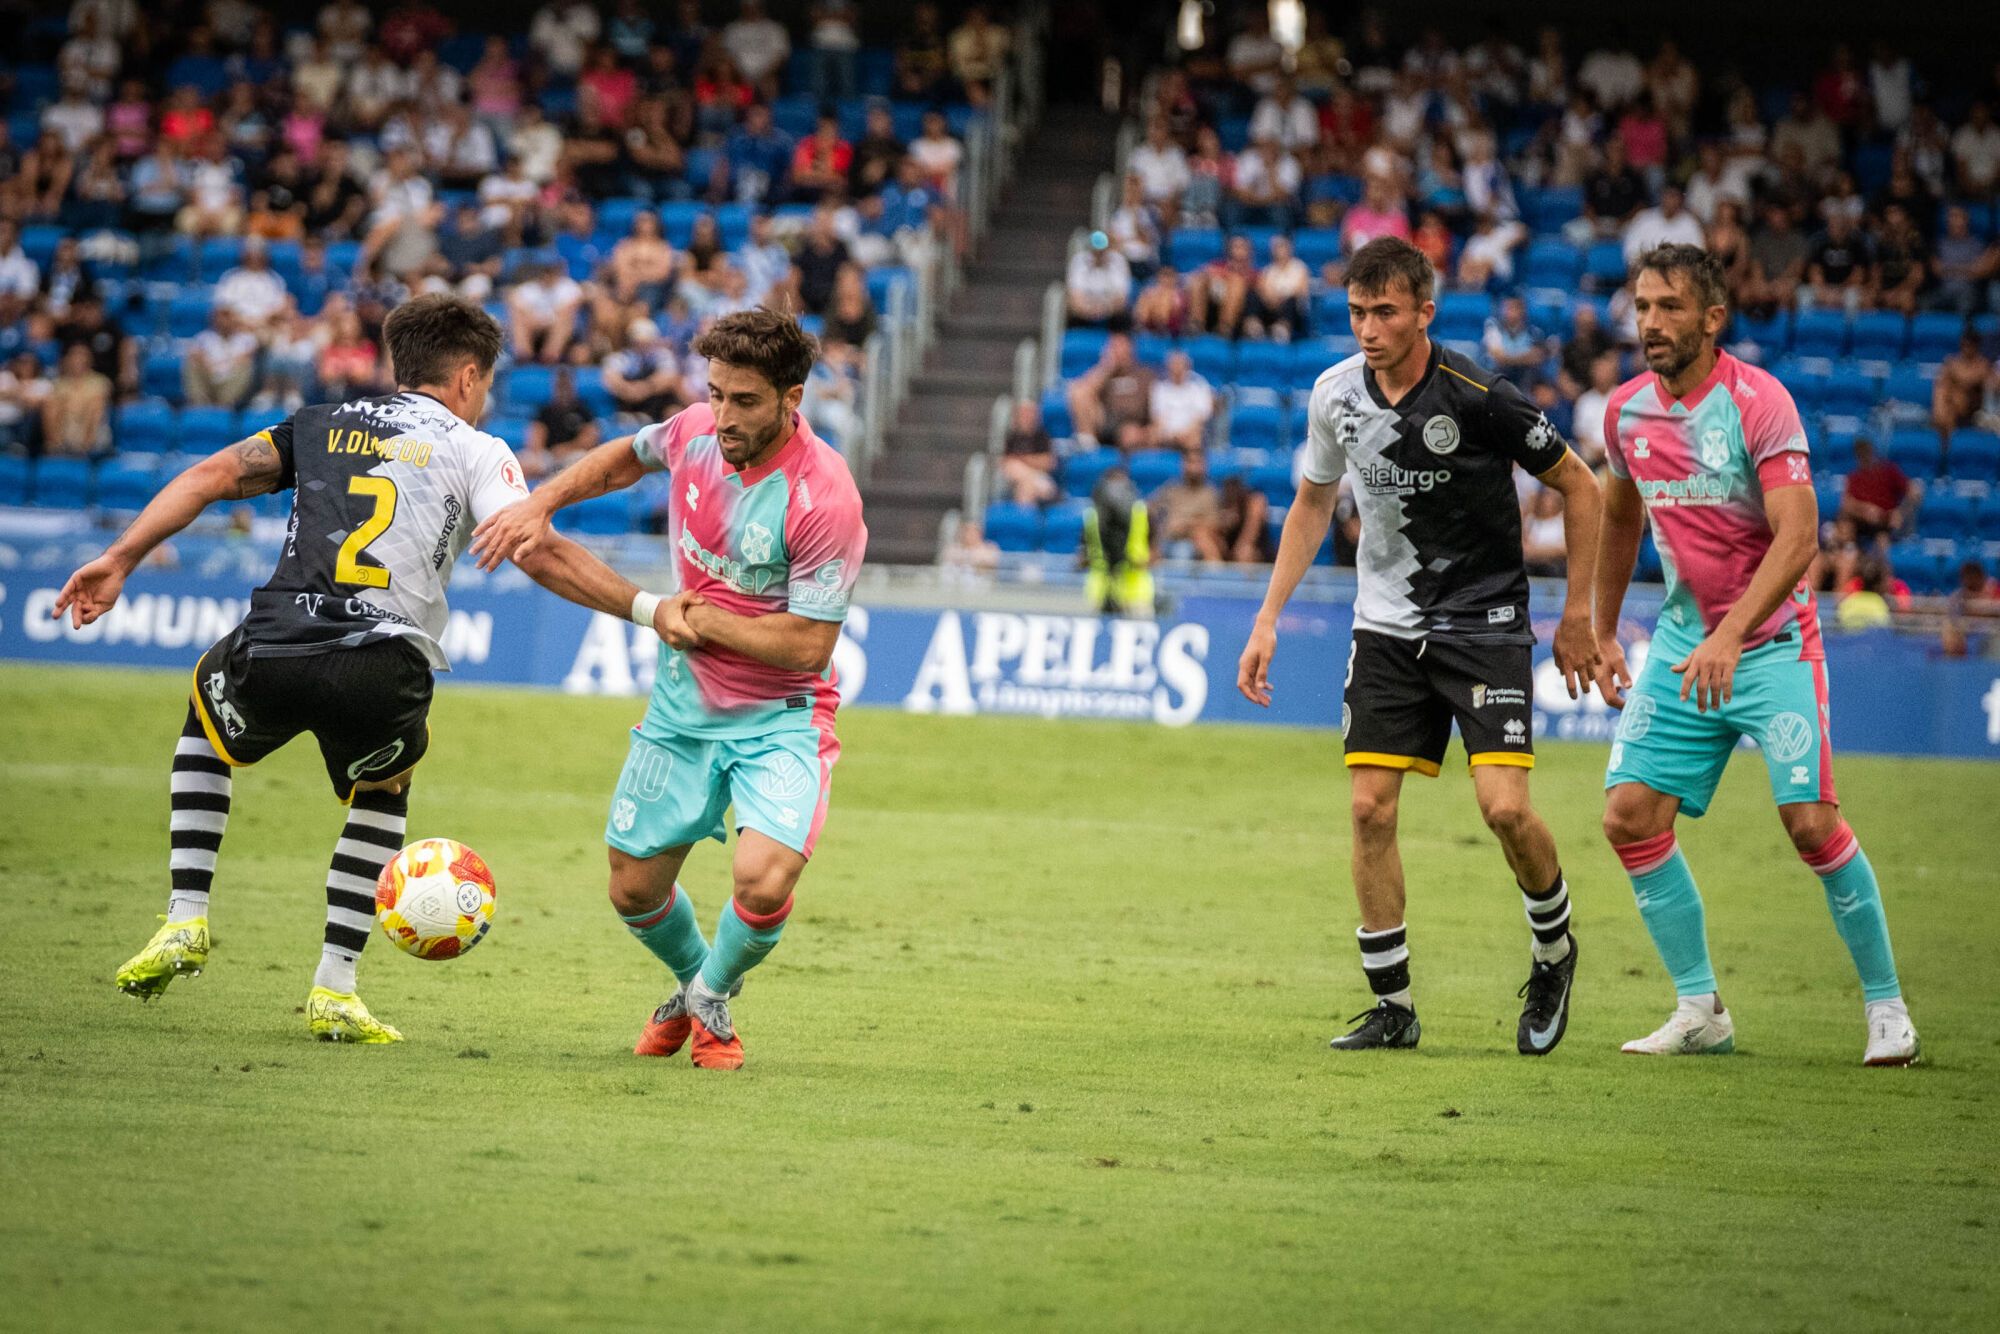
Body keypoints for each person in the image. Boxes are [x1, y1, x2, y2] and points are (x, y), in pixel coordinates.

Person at [63, 295, 660, 1043]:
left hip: (280, 641)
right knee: (383, 787)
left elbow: (212, 475)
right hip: (384, 662)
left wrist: (119, 559)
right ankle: (335, 986)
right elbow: (531, 544)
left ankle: (186, 917)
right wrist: (648, 609)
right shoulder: (478, 449)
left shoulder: (318, 424)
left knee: (205, 722)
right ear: (469, 376)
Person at [469, 309, 867, 1071]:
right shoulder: (693, 432)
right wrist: (541, 503)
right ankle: (693, 986)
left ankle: (712, 992)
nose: (722, 416)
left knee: (760, 878)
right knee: (632, 890)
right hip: (683, 708)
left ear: (793, 398)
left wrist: (702, 618)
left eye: (744, 401)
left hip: (780, 717)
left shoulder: (825, 498)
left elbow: (810, 645)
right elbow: (624, 458)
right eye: (715, 394)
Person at [1238, 236, 1605, 1055]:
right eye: (1358, 313)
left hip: (1484, 622)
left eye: (1386, 313)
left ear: (1424, 313)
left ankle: (1554, 950)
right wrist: (1267, 618)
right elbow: (1310, 504)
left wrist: (1577, 614)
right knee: (1369, 808)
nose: (1368, 329)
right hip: (1387, 624)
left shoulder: (1479, 395)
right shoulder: (1334, 395)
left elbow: (1583, 485)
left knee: (1505, 811)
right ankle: (1394, 1009)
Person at [1592, 244, 1919, 1066]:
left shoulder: (1758, 403)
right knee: (1629, 816)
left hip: (1770, 645)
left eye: (1669, 307)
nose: (1651, 323)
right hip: (1682, 643)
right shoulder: (1624, 412)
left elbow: (1800, 537)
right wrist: (1599, 629)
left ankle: (1888, 1010)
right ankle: (1699, 1009)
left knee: (1810, 824)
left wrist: (1732, 636)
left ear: (1712, 317)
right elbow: (1620, 518)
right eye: (1641, 307)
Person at [1150, 449, 1224, 562]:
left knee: (1182, 551)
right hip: (1166, 539)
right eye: (1190, 462)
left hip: (1192, 542)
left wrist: (1185, 526)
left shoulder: (1210, 494)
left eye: (1197, 462)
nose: (1193, 467)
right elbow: (1149, 508)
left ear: (1204, 466)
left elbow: (1213, 524)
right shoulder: (1171, 489)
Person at [1839, 437, 1919, 541]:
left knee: (1882, 540)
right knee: (1844, 527)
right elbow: (1846, 504)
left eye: (1866, 451)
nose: (1864, 456)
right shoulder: (1854, 477)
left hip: (1886, 523)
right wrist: (1864, 510)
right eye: (1860, 453)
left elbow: (1914, 491)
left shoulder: (1889, 471)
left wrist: (1900, 512)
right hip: (1862, 523)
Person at [1149, 349, 1214, 453]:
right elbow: (1158, 418)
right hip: (1167, 433)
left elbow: (1200, 418)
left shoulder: (1199, 385)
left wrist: (1184, 434)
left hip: (1190, 431)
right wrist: (1170, 435)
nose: (1176, 367)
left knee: (1195, 437)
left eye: (1179, 364)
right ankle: (1153, 466)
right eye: (1173, 364)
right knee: (1152, 435)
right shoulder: (1160, 387)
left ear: (1187, 366)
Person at [1065, 230, 1132, 329]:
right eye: (1096, 251)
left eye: (1102, 251)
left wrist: (1104, 309)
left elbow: (1121, 299)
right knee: (1071, 314)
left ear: (1108, 248)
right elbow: (1075, 298)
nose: (1099, 254)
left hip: (1111, 314)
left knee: (1123, 317)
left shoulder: (1118, 261)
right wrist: (1090, 310)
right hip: (1084, 313)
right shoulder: (1078, 261)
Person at [1000, 397, 1056, 504]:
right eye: (1023, 414)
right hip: (1022, 482)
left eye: (1029, 414)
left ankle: (1023, 517)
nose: (1026, 417)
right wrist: (1031, 463)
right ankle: (1025, 516)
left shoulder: (1042, 437)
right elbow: (1005, 463)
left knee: (1026, 483)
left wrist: (1023, 460)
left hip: (1042, 479)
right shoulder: (1013, 437)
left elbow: (1048, 463)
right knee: (1025, 485)